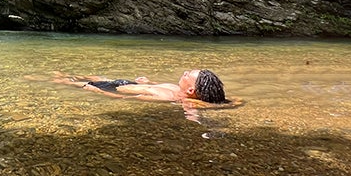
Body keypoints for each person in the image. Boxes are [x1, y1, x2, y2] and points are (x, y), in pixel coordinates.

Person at [53, 69, 228, 106]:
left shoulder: (167, 98)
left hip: (115, 88)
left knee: (71, 83)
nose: (184, 71)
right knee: (99, 76)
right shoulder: (176, 89)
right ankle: (64, 75)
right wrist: (147, 83)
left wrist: (98, 92)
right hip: (129, 83)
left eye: (187, 75)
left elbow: (125, 98)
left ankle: (57, 79)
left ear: (191, 91)